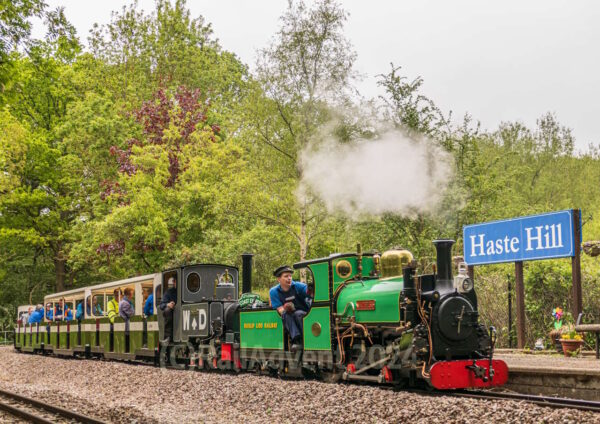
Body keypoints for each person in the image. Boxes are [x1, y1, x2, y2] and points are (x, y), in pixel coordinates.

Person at [269, 265, 310, 351]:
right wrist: (286, 308)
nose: (289, 278)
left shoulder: (299, 286)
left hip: (303, 313)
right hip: (288, 315)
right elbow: (280, 310)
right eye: (286, 276)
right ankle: (296, 340)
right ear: (279, 279)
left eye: (290, 276)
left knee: (298, 314)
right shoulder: (273, 291)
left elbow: (310, 293)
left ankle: (307, 338)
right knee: (285, 314)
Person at [159, 277, 177, 343]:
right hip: (173, 313)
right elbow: (161, 305)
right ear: (174, 282)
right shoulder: (169, 292)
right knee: (167, 310)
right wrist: (168, 304)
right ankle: (167, 337)